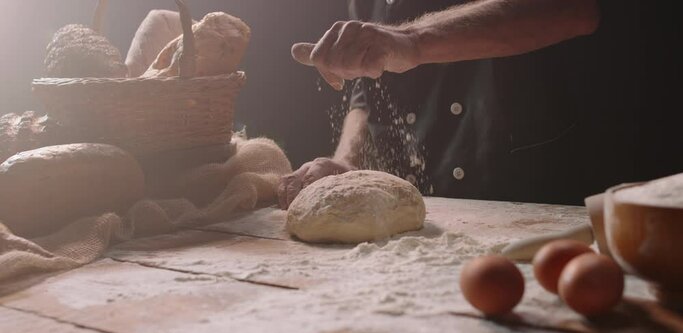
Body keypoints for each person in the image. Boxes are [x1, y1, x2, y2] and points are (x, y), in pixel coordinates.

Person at [278, 0, 683, 208]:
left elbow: (573, 8)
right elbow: (367, 81)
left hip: (552, 198)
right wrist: (348, 163)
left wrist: (412, 40)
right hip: (438, 212)